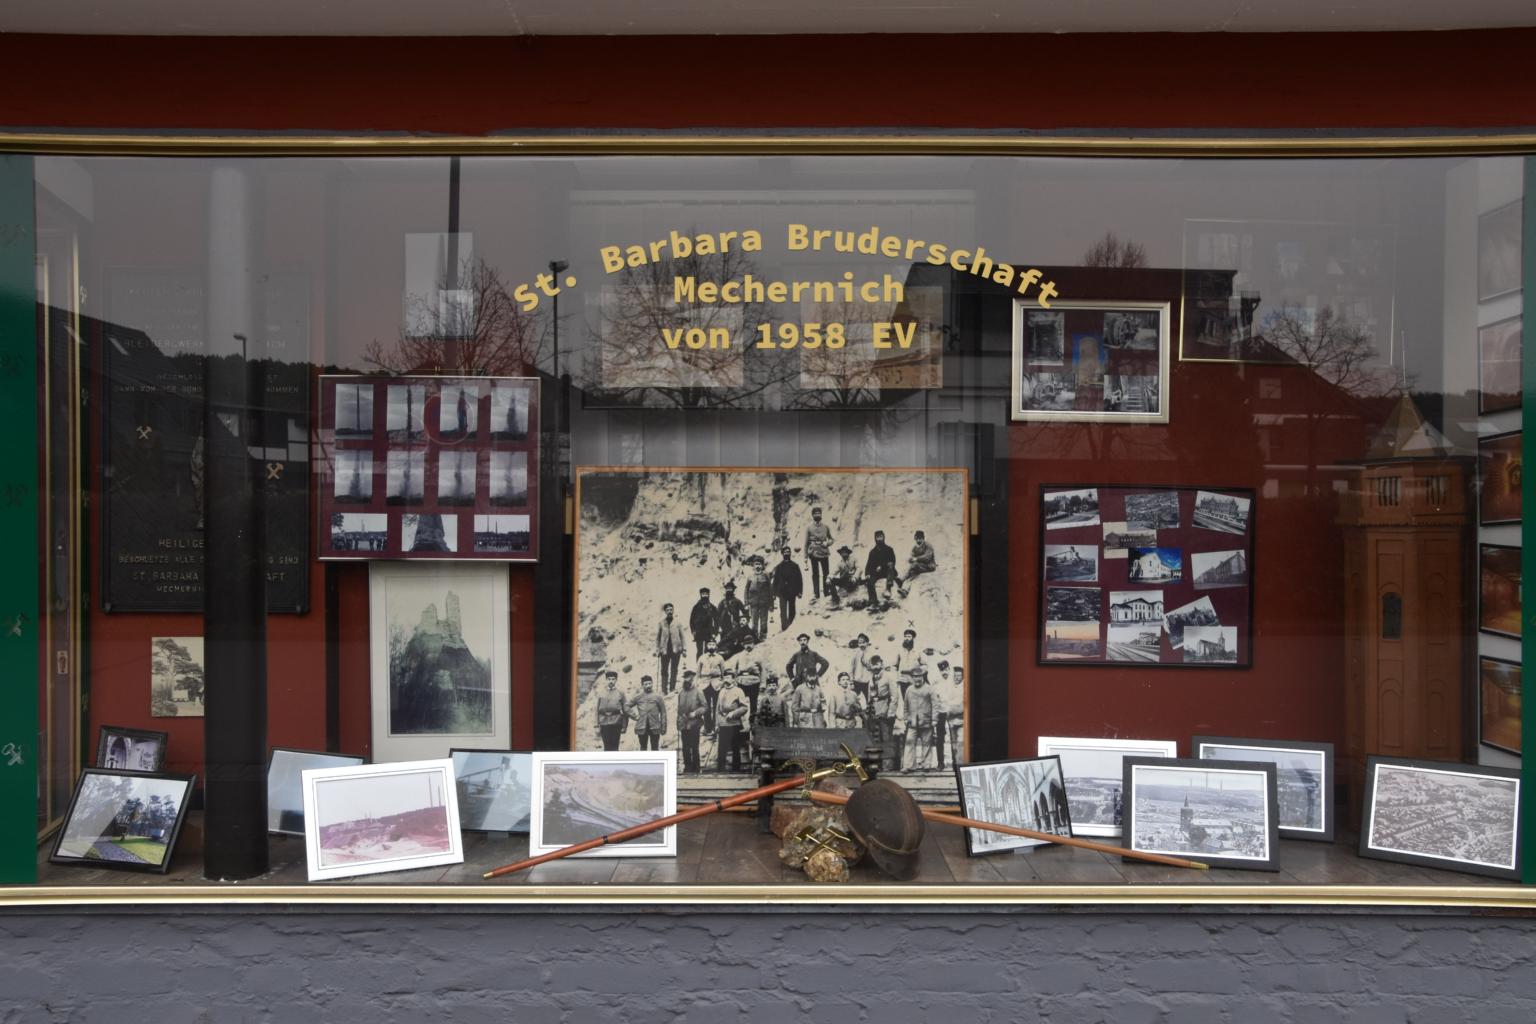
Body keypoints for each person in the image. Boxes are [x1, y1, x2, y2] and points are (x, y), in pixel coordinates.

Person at [867, 655, 898, 771]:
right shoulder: (871, 679)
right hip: (874, 712)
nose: (875, 666)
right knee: (875, 740)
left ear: (881, 664)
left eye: (877, 664)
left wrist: (891, 712)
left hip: (885, 712)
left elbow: (894, 696)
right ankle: (877, 766)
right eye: (873, 664)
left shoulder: (888, 677)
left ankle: (887, 766)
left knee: (886, 739)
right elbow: (869, 697)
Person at [716, 671, 750, 772]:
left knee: (735, 748)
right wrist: (717, 724)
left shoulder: (739, 691)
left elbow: (744, 707)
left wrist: (733, 714)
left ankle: (736, 770)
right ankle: (720, 770)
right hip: (723, 724)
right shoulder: (721, 691)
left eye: (728, 677)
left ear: (733, 679)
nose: (726, 679)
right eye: (725, 677)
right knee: (721, 748)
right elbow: (717, 710)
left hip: (734, 724)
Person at [904, 666, 937, 770]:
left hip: (926, 721)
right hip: (912, 721)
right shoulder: (909, 689)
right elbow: (906, 706)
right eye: (914, 677)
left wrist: (934, 719)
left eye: (919, 676)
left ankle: (926, 765)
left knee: (926, 743)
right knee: (909, 742)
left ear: (923, 677)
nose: (917, 679)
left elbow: (935, 705)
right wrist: (905, 718)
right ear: (912, 678)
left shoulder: (929, 689)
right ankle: (909, 766)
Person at [675, 671, 707, 773]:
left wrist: (696, 713)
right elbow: (679, 709)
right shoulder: (681, 693)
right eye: (685, 678)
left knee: (694, 747)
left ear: (692, 679)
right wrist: (679, 722)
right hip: (684, 724)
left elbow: (705, 707)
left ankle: (696, 768)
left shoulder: (698, 692)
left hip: (694, 724)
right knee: (685, 747)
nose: (686, 680)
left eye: (688, 678)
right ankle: (687, 767)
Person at [629, 675, 667, 751]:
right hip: (642, 727)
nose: (648, 686)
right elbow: (626, 706)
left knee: (655, 748)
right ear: (642, 685)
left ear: (652, 683)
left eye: (650, 683)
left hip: (655, 726)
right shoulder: (638, 696)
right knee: (643, 748)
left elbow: (663, 712)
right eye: (646, 684)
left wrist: (663, 726)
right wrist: (634, 716)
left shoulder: (658, 697)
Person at [655, 602, 686, 694]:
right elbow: (657, 638)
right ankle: (664, 690)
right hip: (664, 650)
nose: (669, 611)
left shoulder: (678, 623)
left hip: (676, 650)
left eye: (671, 610)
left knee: (674, 668)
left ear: (673, 610)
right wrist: (657, 650)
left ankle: (672, 688)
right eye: (667, 610)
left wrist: (684, 649)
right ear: (665, 611)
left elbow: (682, 637)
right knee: (664, 669)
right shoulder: (661, 623)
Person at [863, 530, 899, 610]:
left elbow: (893, 561)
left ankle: (888, 589)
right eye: (877, 537)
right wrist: (867, 574)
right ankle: (873, 602)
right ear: (875, 538)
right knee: (870, 581)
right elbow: (868, 565)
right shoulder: (872, 552)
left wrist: (882, 566)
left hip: (887, 571)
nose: (879, 539)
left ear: (884, 537)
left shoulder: (889, 549)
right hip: (877, 573)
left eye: (881, 537)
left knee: (890, 565)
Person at [804, 506, 833, 601]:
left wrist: (827, 543)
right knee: (815, 573)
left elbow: (832, 539)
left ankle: (826, 592)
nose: (817, 515)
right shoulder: (809, 528)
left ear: (821, 515)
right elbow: (806, 543)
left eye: (819, 513)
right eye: (815, 513)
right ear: (812, 515)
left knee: (826, 573)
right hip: (813, 552)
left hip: (824, 551)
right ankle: (816, 594)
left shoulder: (826, 527)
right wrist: (805, 557)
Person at [696, 638, 724, 734]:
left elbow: (723, 672)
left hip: (716, 683)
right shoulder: (702, 657)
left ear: (715, 646)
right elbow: (698, 673)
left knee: (717, 706)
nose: (711, 646)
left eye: (713, 644)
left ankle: (716, 726)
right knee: (706, 706)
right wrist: (698, 682)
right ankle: (707, 727)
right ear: (706, 646)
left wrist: (722, 682)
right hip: (705, 683)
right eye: (709, 645)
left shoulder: (720, 658)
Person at [594, 671, 628, 752]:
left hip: (616, 723)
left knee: (615, 747)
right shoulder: (600, 693)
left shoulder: (620, 693)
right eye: (609, 679)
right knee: (606, 746)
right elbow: (596, 710)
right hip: (604, 723)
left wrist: (624, 726)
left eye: (613, 679)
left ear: (616, 680)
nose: (611, 681)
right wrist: (596, 725)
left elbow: (625, 710)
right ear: (606, 680)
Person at [772, 546, 803, 632]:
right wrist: (774, 593)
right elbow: (775, 581)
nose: (787, 553)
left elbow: (799, 579)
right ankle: (784, 627)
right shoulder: (779, 567)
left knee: (792, 609)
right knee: (783, 610)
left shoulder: (795, 566)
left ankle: (791, 625)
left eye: (788, 551)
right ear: (782, 554)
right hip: (782, 592)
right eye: (785, 552)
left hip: (792, 591)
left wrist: (800, 591)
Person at [898, 530, 937, 596]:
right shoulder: (915, 548)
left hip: (929, 566)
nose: (918, 540)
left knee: (914, 566)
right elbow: (911, 556)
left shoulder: (928, 545)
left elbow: (927, 557)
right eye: (917, 539)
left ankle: (902, 580)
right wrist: (911, 559)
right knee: (913, 573)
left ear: (923, 538)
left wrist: (916, 559)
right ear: (915, 539)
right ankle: (905, 590)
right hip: (919, 566)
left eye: (920, 538)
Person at [744, 558, 774, 641]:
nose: (758, 566)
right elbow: (746, 589)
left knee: (764, 621)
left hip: (764, 602)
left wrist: (771, 604)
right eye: (756, 564)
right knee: (754, 621)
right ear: (753, 566)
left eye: (759, 564)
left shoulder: (766, 576)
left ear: (762, 566)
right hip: (753, 603)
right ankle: (754, 637)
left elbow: (770, 590)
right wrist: (746, 602)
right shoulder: (750, 577)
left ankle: (763, 636)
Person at [945, 665, 967, 768]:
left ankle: (960, 764)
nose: (956, 677)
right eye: (955, 675)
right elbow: (947, 702)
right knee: (953, 743)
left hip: (961, 720)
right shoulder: (951, 687)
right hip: (951, 720)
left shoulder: (965, 687)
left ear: (963, 676)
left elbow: (963, 704)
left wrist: (951, 708)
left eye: (959, 675)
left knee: (960, 742)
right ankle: (955, 764)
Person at [689, 587, 718, 658]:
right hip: (699, 632)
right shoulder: (696, 607)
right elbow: (691, 620)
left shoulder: (712, 607)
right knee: (699, 650)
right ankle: (699, 666)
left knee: (708, 650)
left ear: (708, 595)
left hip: (709, 632)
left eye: (706, 594)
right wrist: (693, 631)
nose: (704, 595)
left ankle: (707, 666)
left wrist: (715, 632)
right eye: (703, 594)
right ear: (700, 595)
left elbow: (717, 620)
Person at [849, 632, 874, 701]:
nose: (861, 645)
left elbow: (872, 668)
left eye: (863, 642)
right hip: (856, 681)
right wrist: (851, 681)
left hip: (867, 681)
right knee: (853, 700)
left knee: (869, 701)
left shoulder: (871, 654)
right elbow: (851, 667)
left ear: (867, 643)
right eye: (859, 643)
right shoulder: (855, 653)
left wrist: (864, 660)